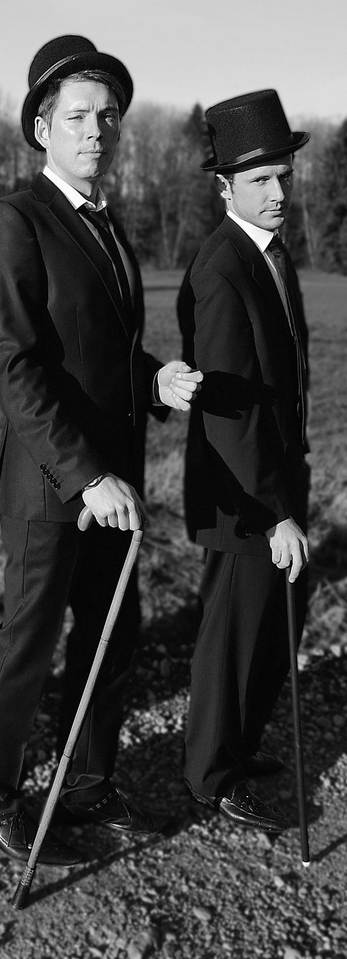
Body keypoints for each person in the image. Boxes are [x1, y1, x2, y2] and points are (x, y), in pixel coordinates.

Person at [0, 35, 203, 866]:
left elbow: (95, 353)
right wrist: (86, 473)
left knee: (115, 633)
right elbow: (15, 365)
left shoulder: (106, 225)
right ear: (40, 126)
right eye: (77, 116)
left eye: (108, 117)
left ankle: (85, 788)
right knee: (27, 642)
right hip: (50, 482)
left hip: (115, 479)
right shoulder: (12, 221)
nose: (96, 130)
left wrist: (151, 380)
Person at [178, 89, 310, 833]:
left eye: (283, 175)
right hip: (242, 496)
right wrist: (274, 512)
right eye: (260, 179)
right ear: (224, 185)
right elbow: (226, 411)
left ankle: (240, 747)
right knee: (229, 637)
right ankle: (209, 776)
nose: (278, 192)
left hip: (277, 479)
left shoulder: (270, 254)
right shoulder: (221, 267)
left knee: (270, 625)